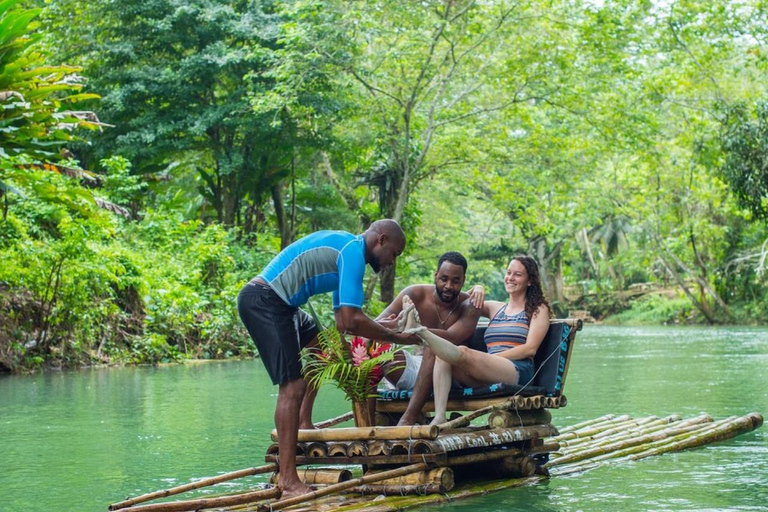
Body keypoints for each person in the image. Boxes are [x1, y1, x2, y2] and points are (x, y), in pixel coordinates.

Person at [237, 220, 420, 498]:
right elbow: (352, 321)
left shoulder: (349, 253)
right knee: (292, 386)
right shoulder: (352, 252)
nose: (392, 262)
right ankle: (288, 481)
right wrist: (397, 338)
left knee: (322, 348)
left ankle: (304, 422)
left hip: (284, 305)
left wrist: (387, 329)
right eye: (394, 254)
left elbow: (342, 324)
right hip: (265, 300)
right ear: (381, 240)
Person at [401, 255, 551, 426]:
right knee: (442, 355)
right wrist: (478, 288)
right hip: (486, 372)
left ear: (530, 281)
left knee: (462, 351)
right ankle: (439, 417)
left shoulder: (539, 308)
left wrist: (494, 358)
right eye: (508, 273)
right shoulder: (496, 308)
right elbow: (466, 302)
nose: (510, 278)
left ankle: (420, 332)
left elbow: (530, 349)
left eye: (517, 274)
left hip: (517, 370)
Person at [376, 251, 484, 426]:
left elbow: (452, 337)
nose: (449, 285)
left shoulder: (470, 306)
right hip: (416, 369)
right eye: (444, 279)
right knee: (381, 351)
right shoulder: (415, 293)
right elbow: (376, 325)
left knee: (434, 346)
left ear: (463, 281)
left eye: (456, 281)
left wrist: (411, 331)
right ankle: (368, 418)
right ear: (435, 275)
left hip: (448, 375)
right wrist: (393, 325)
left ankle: (408, 419)